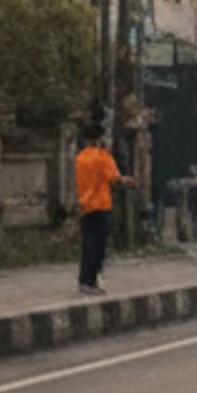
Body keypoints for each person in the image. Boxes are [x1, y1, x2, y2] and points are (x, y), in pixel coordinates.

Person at [75, 114, 134, 292]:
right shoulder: (102, 157)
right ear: (100, 138)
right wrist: (127, 180)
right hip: (101, 206)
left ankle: (83, 280)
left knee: (87, 245)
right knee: (99, 246)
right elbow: (114, 178)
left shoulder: (80, 158)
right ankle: (93, 280)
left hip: (85, 206)